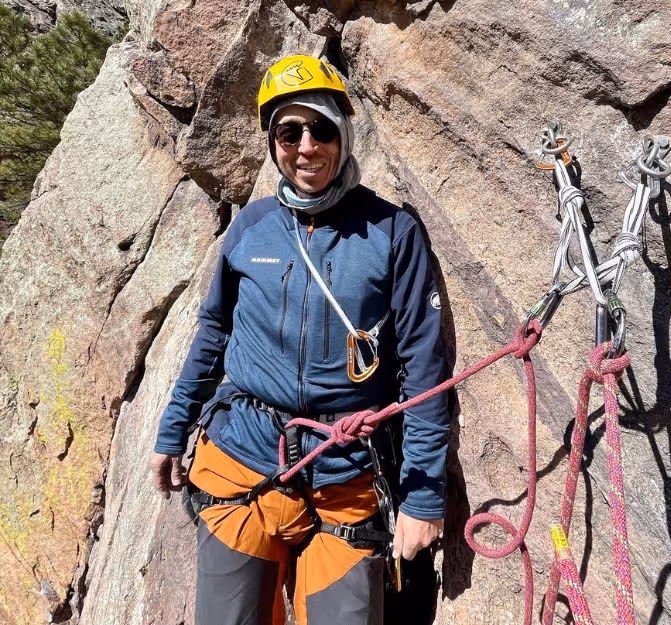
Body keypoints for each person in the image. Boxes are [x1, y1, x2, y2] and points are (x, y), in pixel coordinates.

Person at [150, 54, 450, 625]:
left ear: (344, 132)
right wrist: (173, 429)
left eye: (321, 129)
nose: (306, 147)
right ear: (273, 142)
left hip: (346, 475)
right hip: (242, 462)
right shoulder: (253, 226)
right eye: (289, 132)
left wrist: (423, 495)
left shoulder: (392, 233)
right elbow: (213, 333)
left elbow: (424, 371)